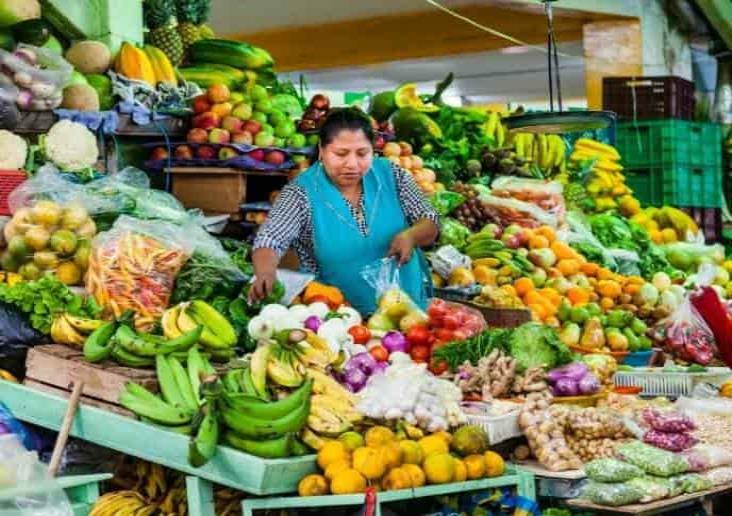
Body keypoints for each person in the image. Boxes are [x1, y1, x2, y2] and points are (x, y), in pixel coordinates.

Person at [250, 107, 440, 314]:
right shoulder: (300, 192)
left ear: (373, 150)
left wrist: (411, 236)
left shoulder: (392, 175)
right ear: (322, 150)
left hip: (410, 310)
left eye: (362, 153)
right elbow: (270, 239)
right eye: (340, 154)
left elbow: (429, 219)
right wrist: (265, 273)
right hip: (342, 318)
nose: (352, 164)